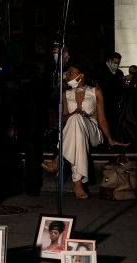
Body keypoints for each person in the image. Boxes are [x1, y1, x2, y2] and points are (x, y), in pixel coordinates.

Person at [42, 64, 126, 198]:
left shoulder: (95, 92)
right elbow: (63, 119)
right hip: (74, 131)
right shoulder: (66, 94)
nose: (68, 76)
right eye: (67, 74)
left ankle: (59, 159)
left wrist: (110, 139)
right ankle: (77, 182)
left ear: (81, 75)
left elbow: (102, 119)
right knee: (75, 120)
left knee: (77, 121)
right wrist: (72, 113)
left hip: (92, 132)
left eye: (71, 73)